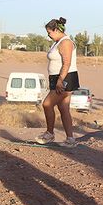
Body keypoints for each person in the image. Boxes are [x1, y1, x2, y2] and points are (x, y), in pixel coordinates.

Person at [36, 17, 80, 147]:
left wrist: (60, 81)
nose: (48, 35)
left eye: (49, 32)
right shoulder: (57, 42)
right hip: (57, 78)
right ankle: (70, 139)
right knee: (63, 108)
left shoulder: (65, 42)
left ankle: (49, 134)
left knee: (47, 104)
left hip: (65, 78)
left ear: (55, 30)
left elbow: (67, 63)